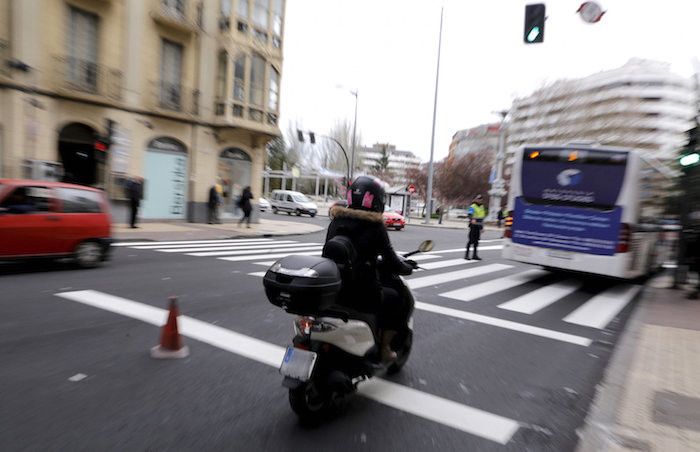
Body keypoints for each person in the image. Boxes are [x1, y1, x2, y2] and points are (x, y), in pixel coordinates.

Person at [326, 176, 415, 362]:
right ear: (375, 199)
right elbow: (391, 260)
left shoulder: (336, 221)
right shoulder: (375, 226)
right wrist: (406, 268)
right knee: (399, 300)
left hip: (336, 288)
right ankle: (384, 348)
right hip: (363, 293)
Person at [465, 194, 486, 260]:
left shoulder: (482, 207)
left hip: (479, 226)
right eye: (478, 199)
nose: (480, 200)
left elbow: (482, 218)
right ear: (476, 199)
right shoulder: (472, 206)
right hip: (473, 226)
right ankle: (466, 255)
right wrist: (472, 219)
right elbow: (469, 214)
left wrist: (482, 227)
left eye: (481, 199)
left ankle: (474, 255)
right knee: (471, 240)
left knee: (476, 242)